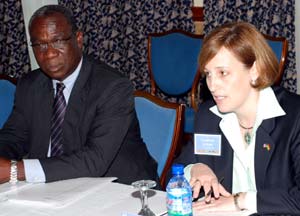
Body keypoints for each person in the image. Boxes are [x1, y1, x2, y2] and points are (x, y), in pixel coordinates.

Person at [0, 5, 159, 185]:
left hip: (119, 189)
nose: (50, 53)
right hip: (50, 188)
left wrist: (16, 170)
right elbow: (13, 137)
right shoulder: (30, 84)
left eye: (58, 41)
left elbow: (94, 160)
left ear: (78, 39)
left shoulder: (113, 87)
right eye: (40, 45)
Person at [174, 22, 300, 214]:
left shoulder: (294, 117)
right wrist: (195, 168)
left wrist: (239, 201)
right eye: (208, 74)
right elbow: (173, 177)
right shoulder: (209, 116)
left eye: (222, 73)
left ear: (255, 71)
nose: (212, 85)